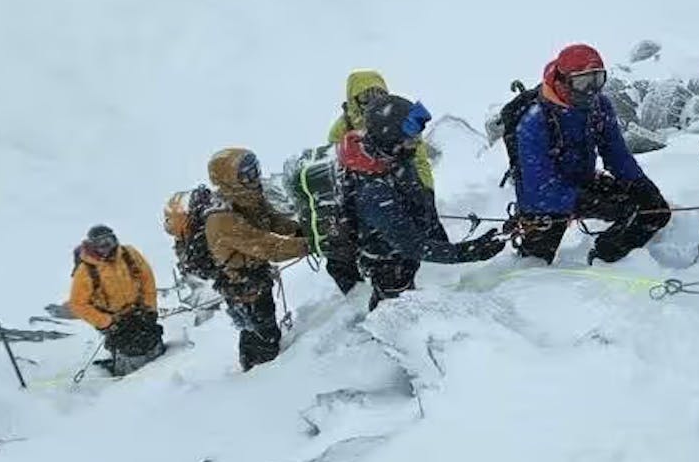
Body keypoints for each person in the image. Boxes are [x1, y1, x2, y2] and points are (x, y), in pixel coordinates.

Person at [340, 94, 507, 309]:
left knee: (407, 298)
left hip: (405, 255)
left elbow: (420, 201)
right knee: (393, 306)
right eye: (409, 138)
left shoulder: (394, 158)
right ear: (391, 137)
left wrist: (443, 241)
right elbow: (412, 245)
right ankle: (384, 335)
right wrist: (469, 252)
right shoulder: (372, 188)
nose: (416, 142)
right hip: (388, 263)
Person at [511, 44, 670, 264]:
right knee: (534, 263)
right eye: (583, 81)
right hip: (544, 200)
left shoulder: (599, 106)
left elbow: (616, 154)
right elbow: (539, 186)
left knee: (654, 212)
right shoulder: (535, 120)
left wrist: (639, 184)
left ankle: (607, 256)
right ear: (562, 81)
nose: (591, 90)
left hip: (583, 182)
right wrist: (585, 201)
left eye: (598, 79)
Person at [324, 69, 445, 294]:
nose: (373, 99)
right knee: (381, 252)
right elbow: (337, 164)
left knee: (422, 221)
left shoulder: (397, 119)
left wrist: (425, 190)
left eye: (378, 92)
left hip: (393, 184)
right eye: (366, 95)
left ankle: (439, 267)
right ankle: (357, 297)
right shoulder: (343, 128)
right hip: (362, 202)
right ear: (353, 98)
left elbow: (417, 159)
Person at [203, 148, 308, 371]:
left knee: (265, 327)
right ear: (229, 179)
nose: (254, 178)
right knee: (263, 335)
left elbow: (275, 222)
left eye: (255, 170)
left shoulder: (249, 200)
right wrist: (310, 244)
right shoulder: (222, 218)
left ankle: (260, 370)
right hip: (242, 286)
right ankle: (257, 378)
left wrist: (304, 230)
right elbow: (267, 245)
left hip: (256, 278)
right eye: (246, 174)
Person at [67, 225, 164, 376]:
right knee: (127, 346)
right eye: (100, 243)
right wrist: (107, 322)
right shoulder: (86, 271)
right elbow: (77, 304)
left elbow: (147, 280)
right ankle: (126, 378)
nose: (105, 246)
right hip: (114, 319)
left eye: (109, 240)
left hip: (139, 310)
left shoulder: (129, 254)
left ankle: (164, 370)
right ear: (92, 246)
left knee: (152, 337)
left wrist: (150, 308)